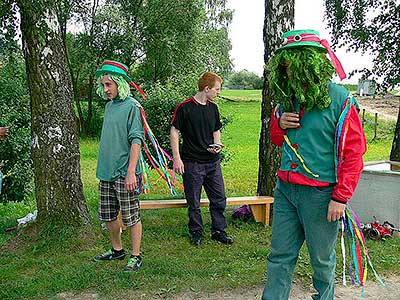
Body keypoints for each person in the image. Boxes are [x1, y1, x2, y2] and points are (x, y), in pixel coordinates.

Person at [262, 29, 367, 300]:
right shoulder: (287, 98)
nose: (289, 73)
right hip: (286, 189)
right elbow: (277, 138)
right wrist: (280, 124)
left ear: (310, 63)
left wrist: (340, 197)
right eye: (285, 68)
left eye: (293, 66)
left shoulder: (340, 99)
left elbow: (354, 153)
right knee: (279, 255)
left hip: (321, 195)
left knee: (321, 260)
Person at [170, 71, 233, 246]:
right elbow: (174, 131)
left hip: (212, 162)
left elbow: (216, 130)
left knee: (219, 198)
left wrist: (217, 144)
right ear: (206, 88)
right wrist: (177, 158)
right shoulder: (185, 107)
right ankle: (196, 232)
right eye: (217, 89)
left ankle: (218, 230)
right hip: (192, 163)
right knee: (194, 201)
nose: (218, 92)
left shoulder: (213, 108)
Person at [93, 60, 144, 272]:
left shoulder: (132, 106)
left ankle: (136, 255)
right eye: (103, 85)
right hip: (106, 171)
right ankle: (117, 250)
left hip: (125, 173)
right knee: (108, 215)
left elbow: (136, 140)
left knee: (131, 216)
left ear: (120, 84)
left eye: (109, 85)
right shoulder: (109, 106)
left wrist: (131, 172)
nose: (105, 89)